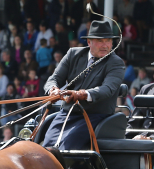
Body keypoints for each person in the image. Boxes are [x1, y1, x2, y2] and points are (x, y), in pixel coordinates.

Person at [42, 20, 125, 151]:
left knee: (65, 147)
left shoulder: (115, 62)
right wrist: (53, 90)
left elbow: (107, 89)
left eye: (108, 41)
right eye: (100, 41)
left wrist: (82, 94)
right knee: (45, 148)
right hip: (67, 113)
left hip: (95, 116)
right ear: (89, 42)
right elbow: (54, 78)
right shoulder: (73, 54)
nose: (105, 45)